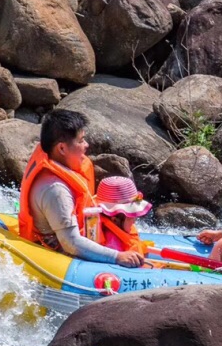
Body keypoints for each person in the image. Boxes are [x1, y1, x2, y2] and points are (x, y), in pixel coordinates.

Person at [17, 110, 145, 268]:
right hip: (57, 254)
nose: (86, 145)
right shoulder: (56, 190)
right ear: (62, 148)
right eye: (81, 140)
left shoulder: (58, 165)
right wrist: (117, 256)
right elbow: (71, 242)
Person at [91, 176, 152, 253]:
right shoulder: (113, 245)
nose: (134, 222)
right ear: (115, 220)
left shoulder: (116, 230)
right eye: (131, 217)